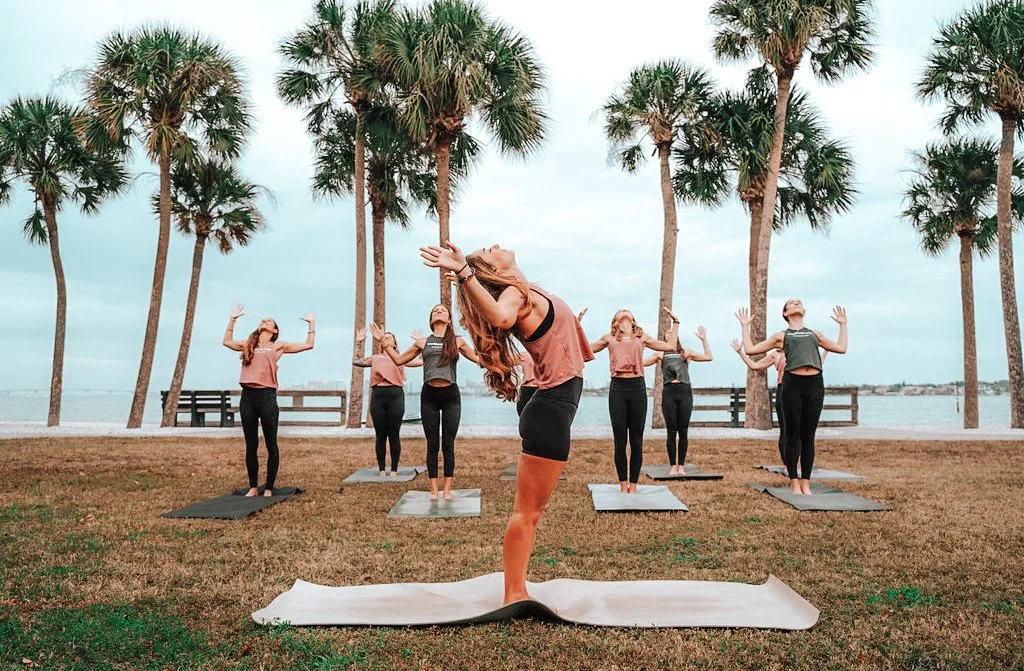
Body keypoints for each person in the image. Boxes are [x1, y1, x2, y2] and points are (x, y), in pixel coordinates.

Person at [420, 241, 593, 605]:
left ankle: (515, 587)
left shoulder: (525, 288)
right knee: (527, 512)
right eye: (489, 250)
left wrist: (468, 275)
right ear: (495, 271)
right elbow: (500, 317)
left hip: (550, 404)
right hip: (549, 409)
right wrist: (465, 273)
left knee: (530, 512)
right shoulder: (515, 295)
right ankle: (514, 592)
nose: (496, 245)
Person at [738, 301, 847, 495]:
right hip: (792, 385)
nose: (796, 303)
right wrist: (745, 327)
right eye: (792, 303)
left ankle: (806, 483)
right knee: (792, 435)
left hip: (815, 384)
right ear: (786, 313)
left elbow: (841, 348)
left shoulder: (814, 334)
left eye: (799, 302)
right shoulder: (781, 336)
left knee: (808, 436)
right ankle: (794, 482)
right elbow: (750, 350)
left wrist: (843, 325)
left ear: (804, 311)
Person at [375, 304, 479, 500]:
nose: (438, 311)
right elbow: (399, 360)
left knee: (448, 444)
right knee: (432, 444)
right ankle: (433, 491)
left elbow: (479, 359)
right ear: (431, 320)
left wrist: (499, 357)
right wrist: (384, 342)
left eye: (443, 310)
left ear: (449, 320)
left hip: (451, 396)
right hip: (429, 396)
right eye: (435, 310)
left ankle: (447, 491)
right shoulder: (422, 342)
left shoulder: (457, 341)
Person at [222, 304, 315, 497]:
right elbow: (227, 342)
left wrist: (311, 324)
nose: (265, 320)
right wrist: (232, 319)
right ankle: (253, 487)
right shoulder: (248, 345)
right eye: (263, 320)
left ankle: (269, 488)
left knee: (271, 444)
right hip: (248, 397)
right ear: (259, 327)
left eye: (269, 320)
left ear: (274, 330)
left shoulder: (277, 346)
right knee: (251, 445)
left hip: (267, 398)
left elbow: (308, 345)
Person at [588, 309, 678, 493]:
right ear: (615, 321)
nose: (624, 313)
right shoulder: (609, 338)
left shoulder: (641, 337)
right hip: (617, 389)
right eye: (620, 313)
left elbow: (670, 346)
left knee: (636, 441)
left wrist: (676, 323)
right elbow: (583, 350)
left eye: (627, 313)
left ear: (633, 321)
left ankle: (634, 485)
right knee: (620, 441)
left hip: (637, 388)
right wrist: (576, 326)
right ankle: (623, 485)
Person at [732, 339, 828, 464]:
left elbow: (816, 365)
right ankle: (787, 463)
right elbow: (755, 365)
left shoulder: (800, 352)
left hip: (802, 389)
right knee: (786, 429)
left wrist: (826, 350)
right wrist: (740, 352)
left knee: (803, 429)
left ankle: (800, 461)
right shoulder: (775, 355)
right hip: (784, 389)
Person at [644, 320, 713, 475]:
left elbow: (709, 357)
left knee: (683, 431)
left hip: (684, 392)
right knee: (671, 431)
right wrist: (639, 347)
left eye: (673, 334)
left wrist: (704, 340)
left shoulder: (685, 352)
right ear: (664, 340)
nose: (671, 336)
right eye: (667, 335)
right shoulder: (660, 354)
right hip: (669, 392)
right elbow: (641, 363)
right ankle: (672, 466)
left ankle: (681, 466)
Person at [353, 327, 422, 476]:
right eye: (384, 337)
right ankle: (382, 469)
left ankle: (394, 469)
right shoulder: (375, 358)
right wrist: (359, 343)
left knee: (394, 434)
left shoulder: (401, 358)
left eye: (389, 337)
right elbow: (356, 362)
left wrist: (419, 343)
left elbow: (422, 361)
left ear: (395, 343)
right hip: (378, 396)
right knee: (381, 435)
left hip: (395, 396)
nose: (386, 338)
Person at [515, 351, 538, 416]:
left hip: (543, 389)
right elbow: (504, 363)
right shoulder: (523, 355)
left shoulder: (549, 354)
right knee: (524, 416)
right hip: (526, 390)